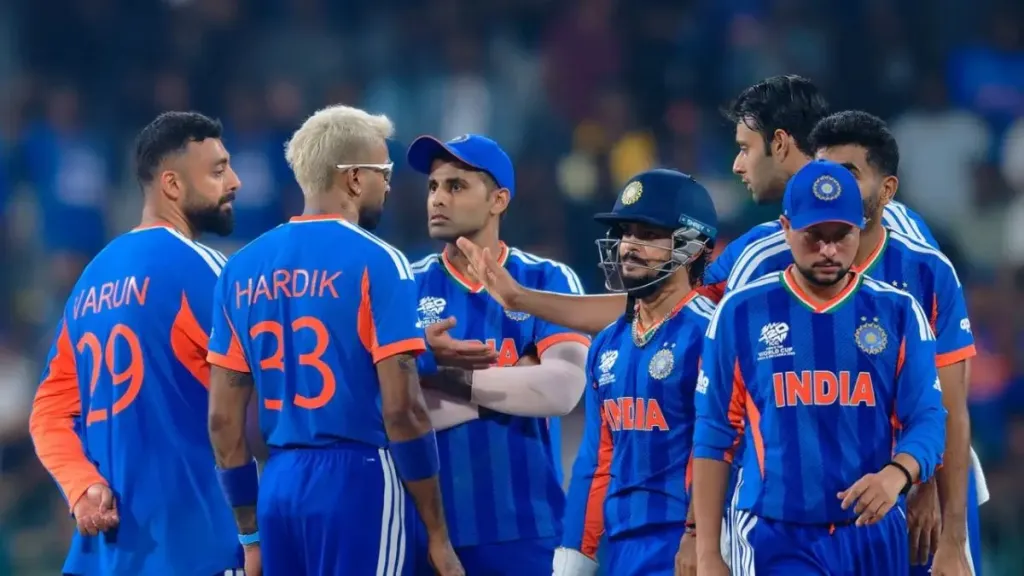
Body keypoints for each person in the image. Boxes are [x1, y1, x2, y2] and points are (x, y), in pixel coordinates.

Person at [454, 75, 938, 334]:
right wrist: (520, 299)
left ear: (780, 144)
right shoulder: (755, 249)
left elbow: (942, 374)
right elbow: (652, 306)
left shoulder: (898, 231)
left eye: (745, 148)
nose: (737, 165)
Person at [205, 105, 463, 576]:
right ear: (354, 178)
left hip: (278, 486)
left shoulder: (239, 269)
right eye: (384, 172)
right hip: (358, 481)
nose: (389, 186)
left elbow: (223, 422)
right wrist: (438, 534)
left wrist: (249, 536)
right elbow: (403, 411)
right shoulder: (380, 261)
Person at [726, 110, 981, 576]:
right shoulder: (767, 258)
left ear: (886, 190)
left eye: (848, 174)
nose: (832, 186)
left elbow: (948, 408)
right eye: (823, 171)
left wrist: (944, 520)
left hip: (915, 483)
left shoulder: (924, 270)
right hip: (793, 513)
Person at [691, 159, 947, 575]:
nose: (828, 250)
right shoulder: (741, 312)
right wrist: (706, 551)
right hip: (774, 533)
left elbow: (928, 419)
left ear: (860, 229)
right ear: (785, 227)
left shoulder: (899, 312)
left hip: (874, 529)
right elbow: (714, 433)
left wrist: (897, 474)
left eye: (841, 235)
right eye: (814, 235)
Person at [29, 111, 245, 575]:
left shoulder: (91, 280)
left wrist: (82, 486)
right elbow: (273, 387)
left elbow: (49, 412)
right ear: (172, 184)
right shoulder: (205, 269)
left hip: (105, 557)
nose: (235, 182)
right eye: (218, 171)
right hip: (195, 548)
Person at [404, 133, 590, 575]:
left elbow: (562, 390)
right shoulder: (403, 283)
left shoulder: (545, 278)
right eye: (433, 186)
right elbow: (391, 407)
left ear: (498, 200)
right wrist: (518, 378)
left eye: (456, 186)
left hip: (527, 527)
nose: (437, 198)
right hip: (424, 530)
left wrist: (440, 380)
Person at [543, 169, 720, 576]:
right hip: (620, 548)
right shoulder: (607, 342)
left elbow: (720, 446)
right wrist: (574, 554)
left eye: (648, 235)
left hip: (684, 548)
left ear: (692, 247)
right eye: (626, 233)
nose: (628, 247)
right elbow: (596, 460)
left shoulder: (711, 332)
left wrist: (699, 536)